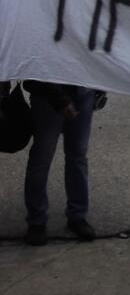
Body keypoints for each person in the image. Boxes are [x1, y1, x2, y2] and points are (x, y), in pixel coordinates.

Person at [23, 81, 97, 245]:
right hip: (47, 94)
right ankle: (37, 220)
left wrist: (99, 90)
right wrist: (60, 99)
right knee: (42, 156)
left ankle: (77, 215)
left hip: (83, 89)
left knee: (77, 155)